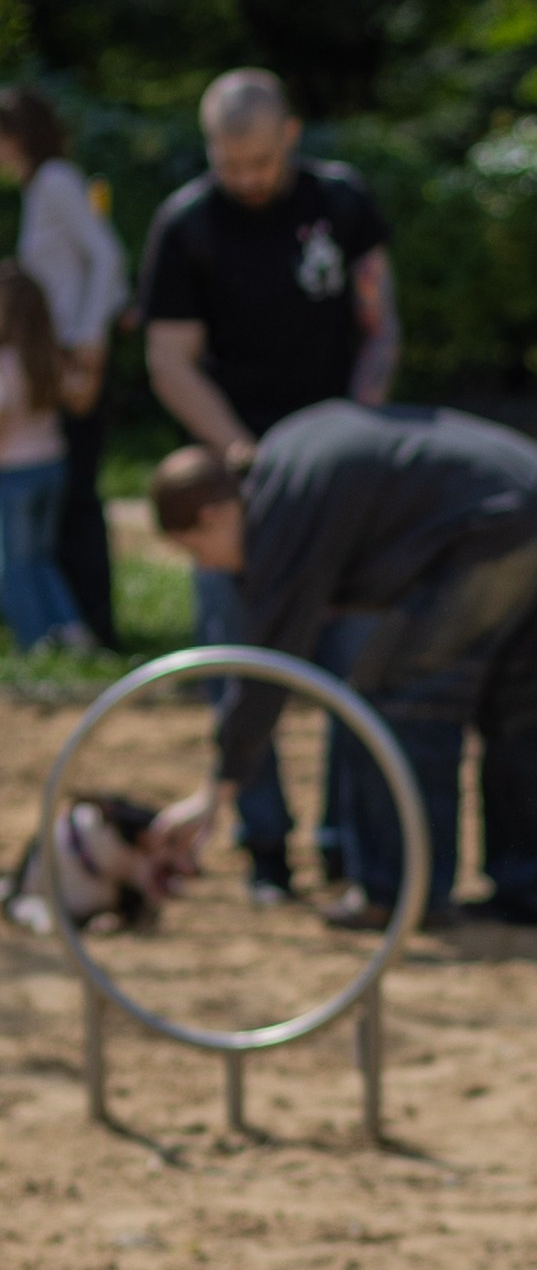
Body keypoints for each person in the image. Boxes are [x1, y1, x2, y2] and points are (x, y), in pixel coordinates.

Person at [148, 407, 537, 930]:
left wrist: (217, 787)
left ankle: (397, 891)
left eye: (197, 549)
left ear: (216, 514)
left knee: (395, 701)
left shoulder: (281, 515)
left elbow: (266, 668)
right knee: (530, 698)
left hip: (489, 527)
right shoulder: (285, 464)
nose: (209, 566)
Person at [136, 68, 400, 902]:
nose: (245, 178)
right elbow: (169, 359)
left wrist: (355, 426)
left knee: (351, 663)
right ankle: (264, 852)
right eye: (228, 162)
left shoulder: (341, 204)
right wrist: (241, 448)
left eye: (257, 160)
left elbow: (379, 325)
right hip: (238, 484)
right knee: (240, 661)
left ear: (289, 133)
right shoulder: (187, 225)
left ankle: (343, 846)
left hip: (340, 478)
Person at [0, 86, 125, 646]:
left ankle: (88, 624)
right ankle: (73, 624)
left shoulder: (54, 182)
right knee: (67, 495)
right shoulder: (43, 186)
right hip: (58, 350)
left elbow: (105, 256)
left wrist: (88, 337)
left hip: (72, 352)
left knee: (76, 497)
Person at [0, 261, 90, 655]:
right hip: (52, 463)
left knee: (15, 565)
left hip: (14, 472)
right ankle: (72, 631)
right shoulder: (50, 356)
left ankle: (34, 642)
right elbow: (80, 395)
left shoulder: (6, 363)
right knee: (42, 557)